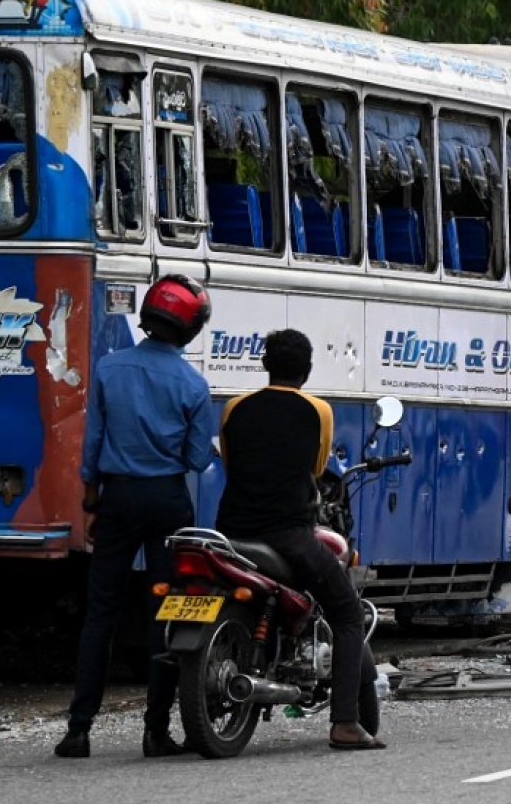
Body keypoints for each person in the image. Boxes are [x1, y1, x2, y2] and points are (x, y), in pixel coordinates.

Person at [54, 274, 214, 759]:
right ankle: (155, 731)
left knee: (100, 613)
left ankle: (79, 730)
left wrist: (91, 501)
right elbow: (195, 458)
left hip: (117, 499)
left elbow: (93, 444)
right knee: (164, 613)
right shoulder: (193, 383)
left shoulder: (108, 368)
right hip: (167, 501)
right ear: (189, 329)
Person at [216, 328, 385, 751]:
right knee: (347, 615)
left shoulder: (235, 408)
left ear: (264, 364)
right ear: (307, 369)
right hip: (287, 533)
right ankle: (345, 723)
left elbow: (232, 465)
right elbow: (316, 467)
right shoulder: (318, 412)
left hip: (231, 530)